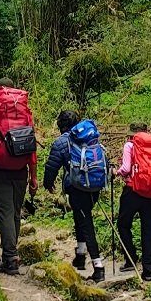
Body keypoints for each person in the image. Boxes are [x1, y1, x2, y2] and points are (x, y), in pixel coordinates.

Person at [0, 77, 38, 275]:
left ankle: (10, 258)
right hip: (21, 170)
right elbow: (31, 147)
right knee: (16, 213)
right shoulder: (25, 114)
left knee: (5, 213)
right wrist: (33, 177)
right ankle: (12, 252)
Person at [43, 110, 106, 283]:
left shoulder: (61, 142)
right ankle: (80, 255)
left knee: (86, 223)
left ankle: (98, 267)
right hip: (94, 187)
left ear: (60, 126)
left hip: (78, 189)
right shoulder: (88, 137)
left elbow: (51, 167)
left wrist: (48, 184)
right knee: (81, 217)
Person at [113, 122, 151, 282]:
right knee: (148, 229)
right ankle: (149, 271)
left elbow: (125, 168)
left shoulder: (129, 146)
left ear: (132, 133)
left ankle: (130, 258)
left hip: (132, 190)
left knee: (123, 224)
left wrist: (115, 172)